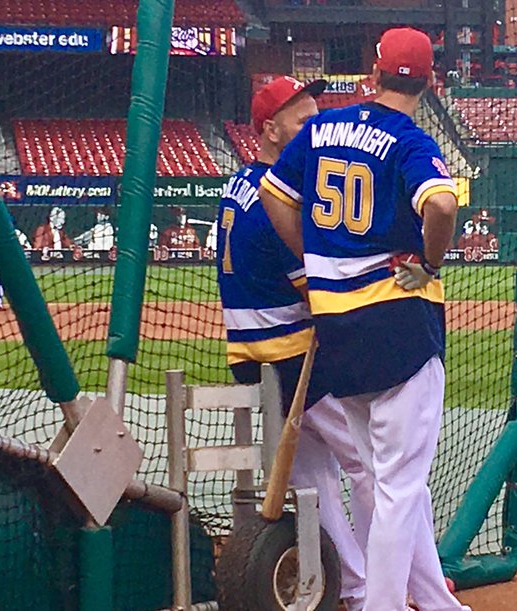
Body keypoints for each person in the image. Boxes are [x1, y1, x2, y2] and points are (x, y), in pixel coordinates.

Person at [260, 27, 466, 611]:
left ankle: (434, 601)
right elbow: (443, 203)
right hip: (398, 324)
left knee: (381, 479)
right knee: (400, 489)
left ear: (372, 76)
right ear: (428, 83)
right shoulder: (409, 138)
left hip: (335, 329)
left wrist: (312, 256)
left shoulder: (321, 126)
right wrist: (429, 263)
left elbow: (276, 194)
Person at [216, 75, 371, 610]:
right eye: (303, 120)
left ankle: (355, 585)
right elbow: (320, 292)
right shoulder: (276, 199)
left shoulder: (239, 183)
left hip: (254, 352)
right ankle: (395, 581)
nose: (314, 127)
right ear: (270, 129)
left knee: (313, 482)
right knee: (374, 465)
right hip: (289, 355)